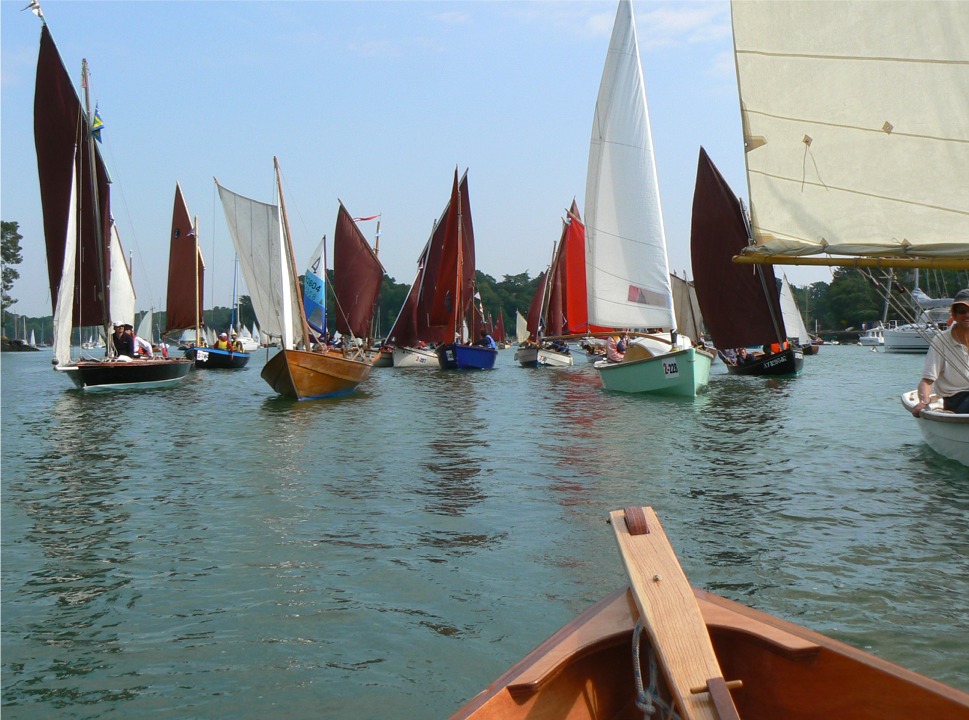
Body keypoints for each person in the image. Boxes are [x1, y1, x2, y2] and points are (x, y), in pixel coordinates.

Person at [911, 288, 969, 416]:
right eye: (962, 311)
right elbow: (927, 380)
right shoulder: (941, 340)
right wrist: (924, 401)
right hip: (956, 398)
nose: (967, 315)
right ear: (954, 315)